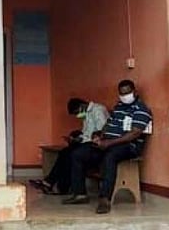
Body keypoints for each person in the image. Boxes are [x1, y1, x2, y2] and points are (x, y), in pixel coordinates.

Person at [62, 79, 152, 214]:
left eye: (127, 92)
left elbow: (135, 133)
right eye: (122, 94)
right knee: (78, 153)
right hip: (108, 142)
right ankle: (80, 194)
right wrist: (99, 134)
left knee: (110, 156)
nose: (124, 96)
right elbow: (108, 124)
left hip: (128, 146)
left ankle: (105, 199)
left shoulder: (141, 109)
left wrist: (109, 143)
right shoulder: (119, 107)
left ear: (134, 92)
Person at [29, 97, 108, 195]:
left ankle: (59, 186)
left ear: (82, 106)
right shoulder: (87, 115)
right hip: (87, 144)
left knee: (71, 154)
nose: (77, 115)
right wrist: (77, 138)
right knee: (64, 152)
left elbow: (101, 133)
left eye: (76, 112)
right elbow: (86, 133)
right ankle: (52, 183)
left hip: (97, 146)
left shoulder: (98, 110)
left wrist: (83, 139)